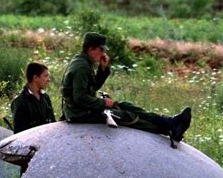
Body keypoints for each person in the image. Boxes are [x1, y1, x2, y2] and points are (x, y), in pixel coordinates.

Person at [61, 32, 191, 147]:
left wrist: (103, 69)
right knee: (127, 116)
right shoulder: (82, 67)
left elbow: (91, 88)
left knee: (126, 106)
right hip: (79, 114)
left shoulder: (84, 63)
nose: (103, 53)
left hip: (84, 110)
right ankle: (168, 129)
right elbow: (80, 98)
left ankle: (169, 122)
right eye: (100, 50)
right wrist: (103, 103)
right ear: (90, 49)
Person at [11, 62, 56, 134]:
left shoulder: (45, 98)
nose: (48, 79)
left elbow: (53, 123)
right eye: (45, 76)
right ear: (35, 78)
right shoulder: (20, 102)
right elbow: (19, 133)